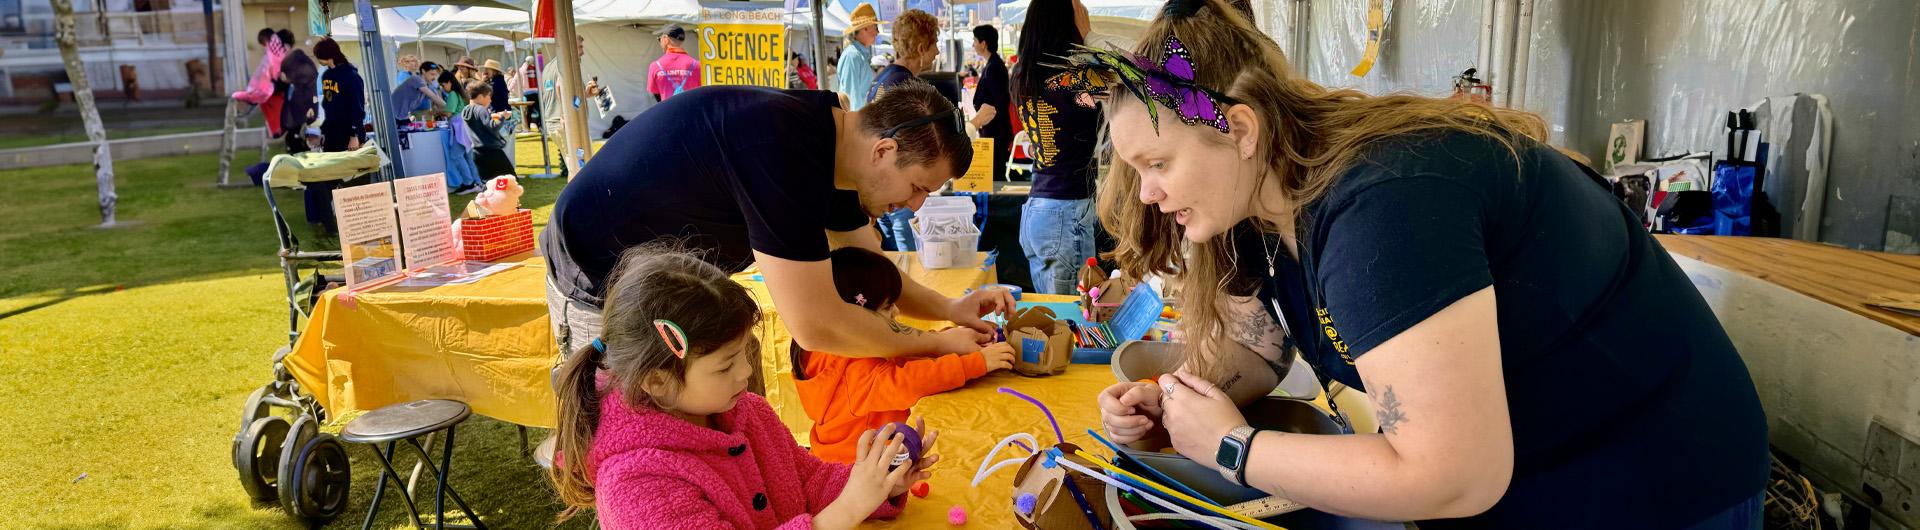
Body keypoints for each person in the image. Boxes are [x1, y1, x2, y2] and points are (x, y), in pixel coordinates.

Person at [1083, 0, 1768, 527]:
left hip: (1654, 483)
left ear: (1238, 129)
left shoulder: (1384, 203)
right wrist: (1181, 397)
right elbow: (1261, 346)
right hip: (1536, 471)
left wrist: (1231, 447)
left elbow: (1455, 473)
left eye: (1158, 163)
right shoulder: (1264, 203)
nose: (1146, 191)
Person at [540, 80, 1006, 368]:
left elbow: (873, 270)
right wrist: (936, 347)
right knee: (651, 453)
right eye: (919, 187)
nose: (917, 207)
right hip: (597, 280)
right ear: (884, 151)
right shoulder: (783, 148)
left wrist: (949, 310)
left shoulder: (837, 146)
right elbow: (818, 324)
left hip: (674, 284)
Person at [549, 244, 937, 529]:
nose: (745, 373)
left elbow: (810, 481)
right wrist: (848, 508)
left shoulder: (749, 413)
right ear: (657, 381)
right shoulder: (637, 482)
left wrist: (877, 481)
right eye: (724, 366)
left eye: (744, 355)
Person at [793, 247, 1016, 463]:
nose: (897, 312)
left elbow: (898, 353)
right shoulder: (854, 372)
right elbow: (908, 380)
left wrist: (950, 341)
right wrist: (976, 363)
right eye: (888, 307)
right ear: (858, 315)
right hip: (850, 472)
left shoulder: (837, 349)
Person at [1012, 0, 1101, 295]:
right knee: (1072, 322)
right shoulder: (1073, 81)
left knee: (1053, 321)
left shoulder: (1022, 77)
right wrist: (1089, 36)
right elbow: (1124, 80)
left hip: (1037, 209)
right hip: (1067, 214)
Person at [868, 9, 941, 253]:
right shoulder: (911, 89)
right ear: (921, 48)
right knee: (908, 260)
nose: (937, 52)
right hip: (899, 191)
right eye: (935, 45)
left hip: (878, 189)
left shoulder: (881, 79)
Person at [307, 37, 364, 236]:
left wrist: (354, 135)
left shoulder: (352, 76)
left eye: (319, 57)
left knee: (347, 181)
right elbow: (327, 106)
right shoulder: (326, 76)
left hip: (348, 136)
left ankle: (351, 224)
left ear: (328, 55)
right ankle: (330, 225)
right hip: (330, 134)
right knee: (325, 181)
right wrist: (321, 132)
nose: (318, 61)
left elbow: (357, 109)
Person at [968, 25, 1013, 185]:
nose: (973, 44)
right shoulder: (992, 64)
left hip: (996, 131)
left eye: (974, 40)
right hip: (993, 130)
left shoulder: (994, 67)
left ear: (983, 43)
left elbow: (1000, 102)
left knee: (995, 176)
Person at [462, 82, 516, 180]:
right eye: (488, 96)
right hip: (492, 151)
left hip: (477, 152)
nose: (490, 100)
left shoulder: (465, 110)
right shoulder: (481, 109)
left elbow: (480, 125)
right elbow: (493, 127)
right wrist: (502, 117)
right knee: (509, 181)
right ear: (480, 97)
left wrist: (492, 116)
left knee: (488, 183)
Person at [832, 3, 880, 111]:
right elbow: (852, 100)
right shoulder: (853, 56)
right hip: (857, 122)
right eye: (876, 27)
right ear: (865, 28)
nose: (878, 32)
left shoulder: (858, 54)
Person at [648, 24, 702, 102]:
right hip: (691, 112)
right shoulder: (698, 65)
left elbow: (656, 95)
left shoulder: (655, 66)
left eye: (659, 39)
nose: (660, 43)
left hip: (667, 112)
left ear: (665, 39)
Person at [390, 61, 445, 127]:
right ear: (423, 71)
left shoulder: (429, 85)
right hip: (391, 114)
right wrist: (450, 108)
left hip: (403, 116)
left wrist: (438, 108)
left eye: (435, 75)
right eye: (432, 74)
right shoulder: (416, 79)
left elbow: (437, 98)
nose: (434, 78)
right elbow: (433, 97)